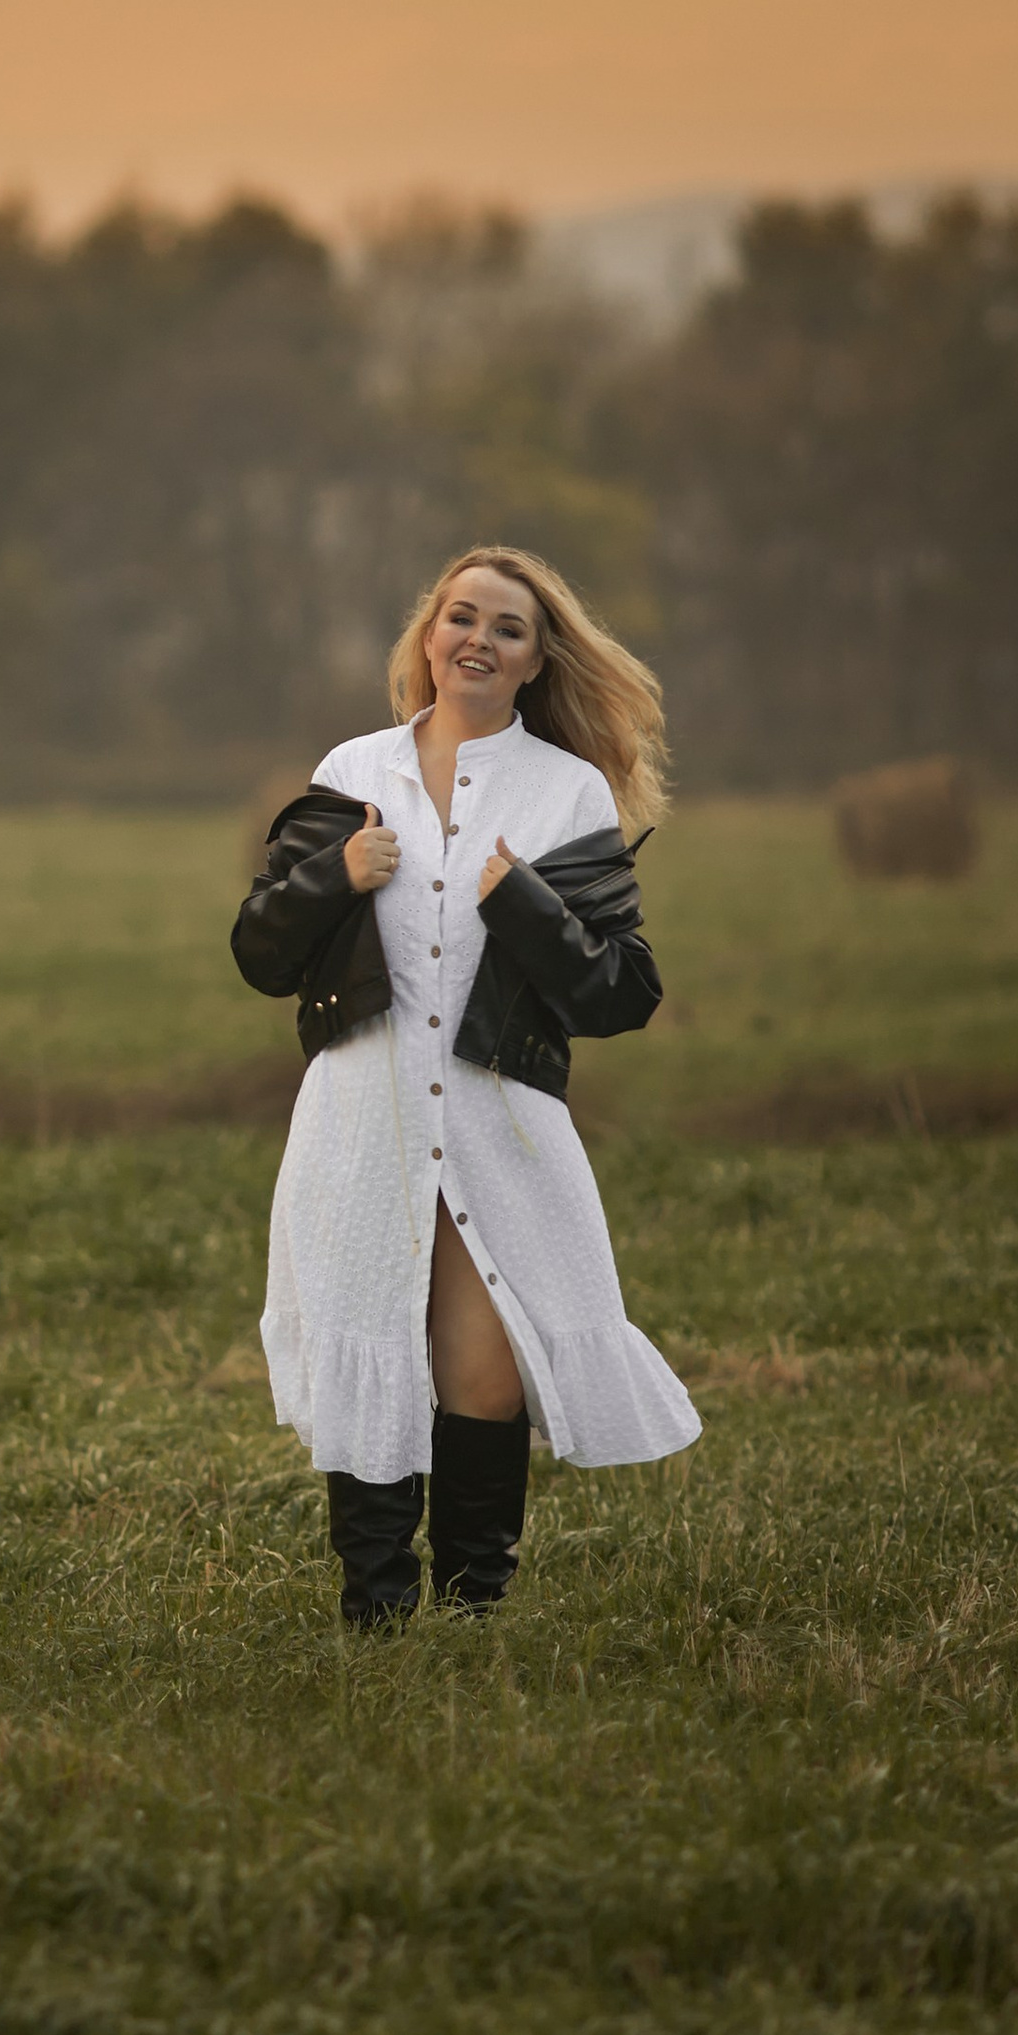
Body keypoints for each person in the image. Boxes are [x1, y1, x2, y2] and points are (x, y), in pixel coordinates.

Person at [233, 545, 700, 1621]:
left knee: (485, 1375)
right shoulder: (353, 772)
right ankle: (377, 1612)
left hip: (501, 1118)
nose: (478, 640)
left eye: (507, 628)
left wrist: (527, 906)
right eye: (462, 617)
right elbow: (260, 952)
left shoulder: (565, 789)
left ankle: (474, 1605)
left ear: (537, 661)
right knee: (376, 1353)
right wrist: (332, 875)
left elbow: (621, 991)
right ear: (428, 635)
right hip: (364, 1112)